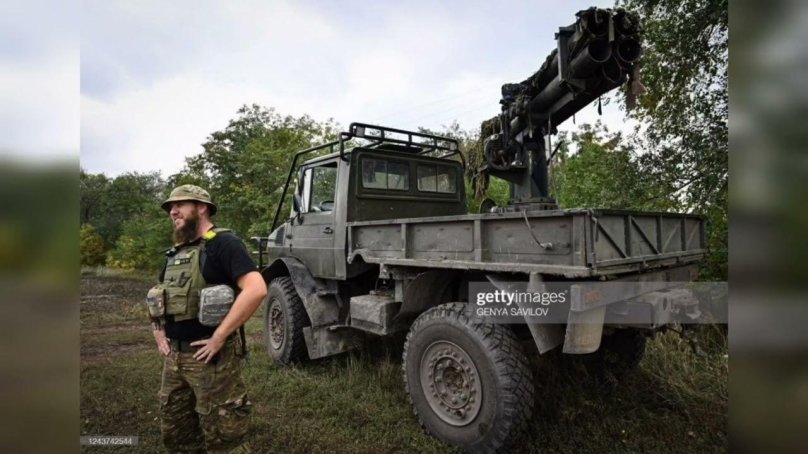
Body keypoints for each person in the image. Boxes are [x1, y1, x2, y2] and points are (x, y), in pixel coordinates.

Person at [149, 184, 267, 453]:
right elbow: (159, 295)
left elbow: (256, 289)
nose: (172, 211)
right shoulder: (175, 252)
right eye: (170, 207)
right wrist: (158, 328)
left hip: (211, 359)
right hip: (174, 358)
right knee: (176, 432)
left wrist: (218, 337)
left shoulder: (224, 244)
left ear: (201, 207)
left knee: (223, 435)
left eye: (179, 205)